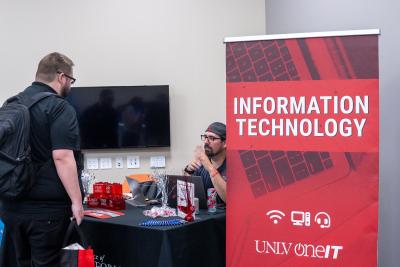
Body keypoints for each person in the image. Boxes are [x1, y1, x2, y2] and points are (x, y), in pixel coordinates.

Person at [0, 52, 84, 266]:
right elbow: (63, 157)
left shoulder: (11, 103)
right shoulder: (60, 107)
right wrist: (77, 202)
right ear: (62, 77)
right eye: (71, 81)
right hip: (46, 212)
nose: (70, 86)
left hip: (11, 207)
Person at [184, 122, 227, 203]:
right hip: (203, 214)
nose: (206, 142)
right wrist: (188, 170)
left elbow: (229, 199)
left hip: (225, 215)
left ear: (225, 143)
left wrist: (209, 167)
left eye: (212, 138)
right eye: (205, 137)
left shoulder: (234, 167)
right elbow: (185, 193)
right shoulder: (201, 165)